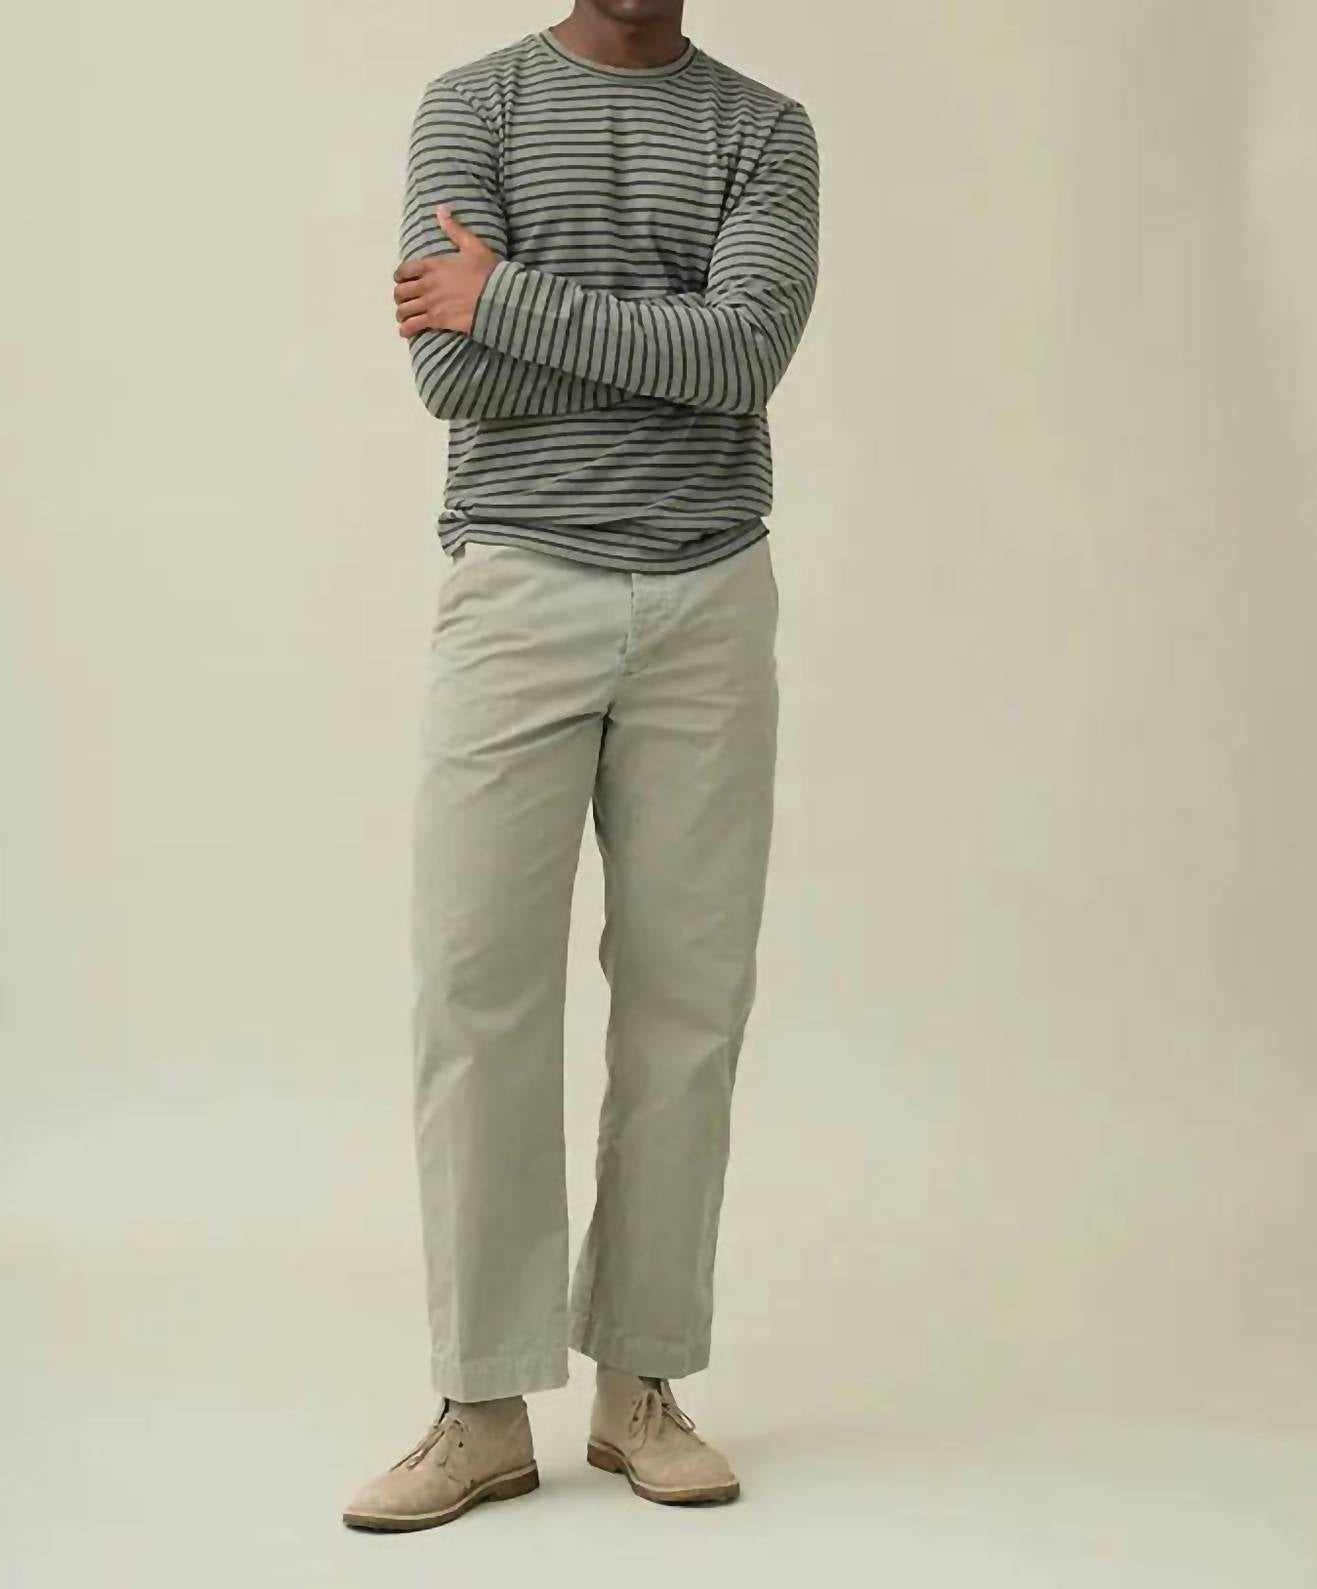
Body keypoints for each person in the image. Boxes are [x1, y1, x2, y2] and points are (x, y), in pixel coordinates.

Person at [343, 0, 820, 1532]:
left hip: (707, 596)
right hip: (517, 585)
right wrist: (656, 348)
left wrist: (504, 296)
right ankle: (481, 1403)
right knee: (476, 987)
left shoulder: (764, 131)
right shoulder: (473, 105)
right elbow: (447, 377)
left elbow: (747, 353)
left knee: (688, 999)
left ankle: (641, 1387)